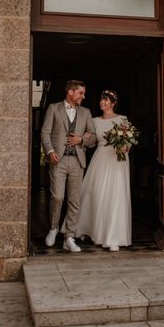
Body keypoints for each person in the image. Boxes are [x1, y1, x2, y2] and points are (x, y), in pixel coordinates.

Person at [41, 80, 97, 252]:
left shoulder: (86, 112)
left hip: (77, 161)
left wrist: (82, 140)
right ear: (71, 92)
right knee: (57, 197)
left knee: (74, 200)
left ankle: (69, 237)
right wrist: (50, 152)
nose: (84, 96)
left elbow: (93, 137)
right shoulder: (53, 108)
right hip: (58, 160)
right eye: (81, 93)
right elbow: (45, 133)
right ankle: (53, 228)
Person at [76, 89, 131, 252]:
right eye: (101, 99)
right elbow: (89, 139)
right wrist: (80, 140)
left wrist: (125, 147)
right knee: (95, 193)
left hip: (117, 160)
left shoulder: (122, 119)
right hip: (100, 159)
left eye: (106, 100)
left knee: (116, 195)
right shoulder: (94, 121)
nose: (102, 102)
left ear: (113, 103)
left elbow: (128, 142)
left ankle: (113, 236)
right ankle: (88, 229)